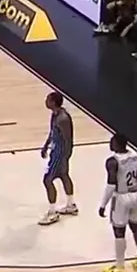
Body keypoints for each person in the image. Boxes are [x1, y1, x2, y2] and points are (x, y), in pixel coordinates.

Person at [98, 133, 137, 272]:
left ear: (118, 144)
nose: (110, 143)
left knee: (119, 231)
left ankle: (120, 267)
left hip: (121, 197)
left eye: (112, 141)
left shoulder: (113, 162)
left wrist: (103, 205)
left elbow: (111, 185)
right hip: (136, 195)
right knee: (136, 226)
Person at [39, 92, 77, 225]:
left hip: (60, 153)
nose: (46, 101)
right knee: (64, 175)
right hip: (55, 150)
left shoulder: (63, 119)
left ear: (53, 102)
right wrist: (46, 146)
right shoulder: (54, 115)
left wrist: (66, 156)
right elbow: (52, 133)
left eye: (48, 99)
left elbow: (68, 139)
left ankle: (53, 212)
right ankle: (71, 205)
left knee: (47, 180)